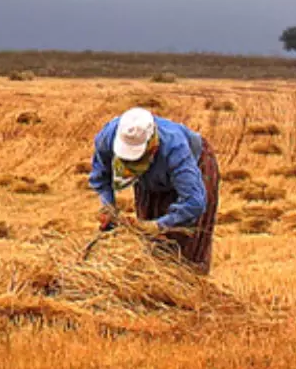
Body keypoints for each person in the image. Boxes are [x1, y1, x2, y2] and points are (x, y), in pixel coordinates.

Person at [89, 107, 220, 274]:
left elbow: (194, 202)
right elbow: (100, 176)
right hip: (150, 180)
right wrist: (108, 207)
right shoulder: (107, 137)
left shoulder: (175, 148)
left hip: (194, 168)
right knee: (151, 247)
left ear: (152, 149)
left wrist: (159, 225)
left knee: (185, 253)